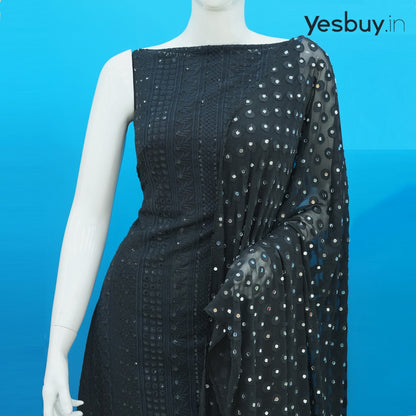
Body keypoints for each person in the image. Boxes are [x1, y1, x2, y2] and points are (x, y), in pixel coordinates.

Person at [42, 0, 350, 415]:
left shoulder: (301, 65)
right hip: (139, 324)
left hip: (250, 321)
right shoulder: (124, 72)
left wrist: (259, 265)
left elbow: (322, 209)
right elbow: (88, 215)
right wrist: (58, 347)